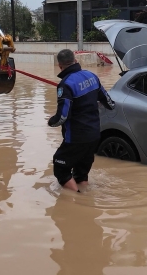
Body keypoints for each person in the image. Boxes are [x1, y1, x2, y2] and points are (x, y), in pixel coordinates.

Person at [47, 49, 114, 192]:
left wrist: (51, 121)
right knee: (81, 174)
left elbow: (63, 117)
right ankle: (85, 198)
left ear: (60, 66)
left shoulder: (65, 85)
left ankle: (77, 200)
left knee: (61, 169)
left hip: (76, 138)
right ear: (76, 61)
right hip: (94, 135)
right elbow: (110, 103)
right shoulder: (92, 76)